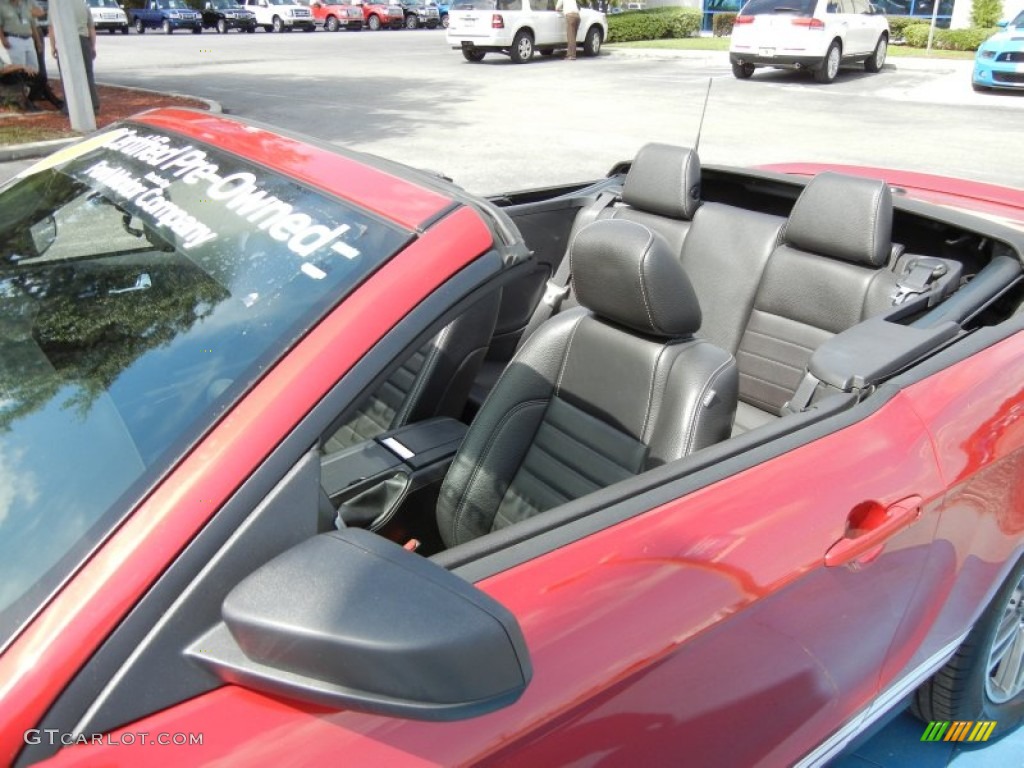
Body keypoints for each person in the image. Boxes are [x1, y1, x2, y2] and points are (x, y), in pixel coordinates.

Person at [49, 0, 98, 114]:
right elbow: (91, 28)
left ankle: (70, 108)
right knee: (87, 74)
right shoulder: (83, 5)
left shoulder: (57, 5)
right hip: (83, 39)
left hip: (65, 39)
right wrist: (92, 46)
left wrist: (53, 46)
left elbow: (52, 28)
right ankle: (93, 106)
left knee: (67, 76)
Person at [0, 0, 41, 76]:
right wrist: (3, 39)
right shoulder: (2, 6)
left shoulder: (25, 5)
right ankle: (22, 86)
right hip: (14, 38)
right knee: (20, 67)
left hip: (28, 38)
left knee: (34, 67)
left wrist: (38, 41)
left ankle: (35, 86)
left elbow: (32, 23)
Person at [0, 31, 36, 110]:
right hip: (2, 78)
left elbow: (6, 66)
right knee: (22, 76)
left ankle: (29, 102)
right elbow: (2, 70)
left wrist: (23, 67)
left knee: (35, 75)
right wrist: (21, 67)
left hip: (5, 75)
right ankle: (27, 103)